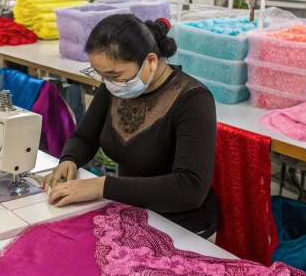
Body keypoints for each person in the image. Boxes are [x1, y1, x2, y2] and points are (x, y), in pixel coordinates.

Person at [42, 14, 219, 238]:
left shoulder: (193, 100)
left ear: (151, 61)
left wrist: (101, 186)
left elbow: (189, 188)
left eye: (113, 75)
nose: (107, 82)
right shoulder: (117, 84)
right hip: (131, 212)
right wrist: (70, 159)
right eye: (102, 75)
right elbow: (85, 137)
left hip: (183, 226)